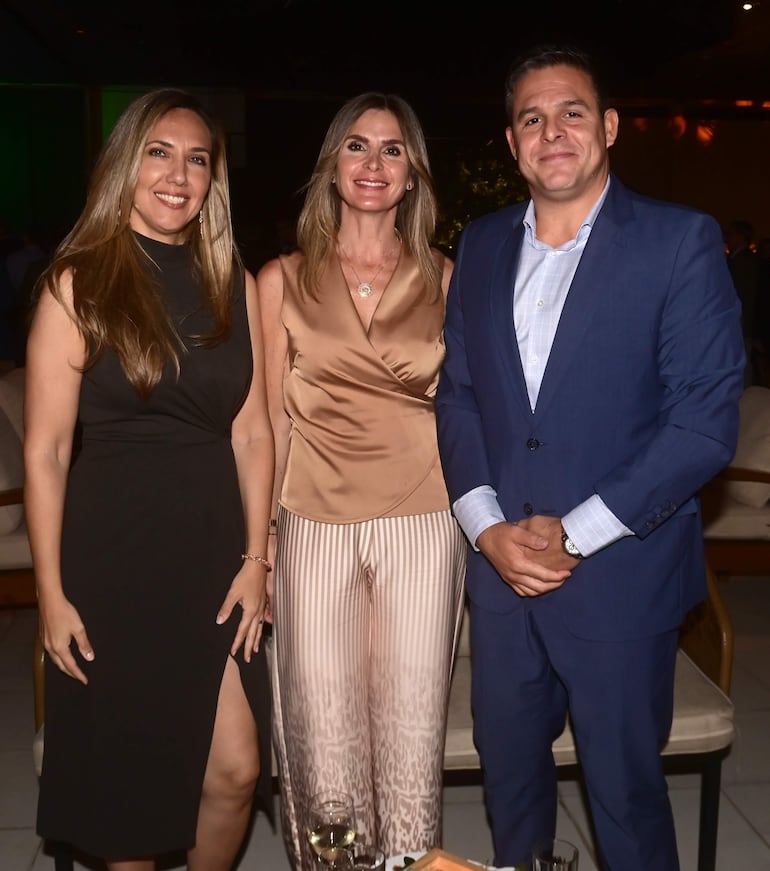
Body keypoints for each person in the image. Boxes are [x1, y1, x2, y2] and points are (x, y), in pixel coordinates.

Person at [435, 44, 745, 871]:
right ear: (511, 143)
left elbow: (704, 423)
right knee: (512, 786)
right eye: (532, 118)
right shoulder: (483, 244)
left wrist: (571, 534)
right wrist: (486, 527)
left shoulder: (679, 242)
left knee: (626, 798)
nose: (553, 131)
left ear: (608, 127)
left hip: (619, 576)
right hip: (501, 578)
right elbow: (457, 394)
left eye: (572, 111)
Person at [24, 88, 275, 870]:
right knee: (126, 805)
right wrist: (51, 592)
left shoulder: (230, 276)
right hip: (112, 559)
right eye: (159, 153)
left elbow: (254, 428)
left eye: (197, 158)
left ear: (213, 178)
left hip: (211, 553)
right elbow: (47, 449)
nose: (179, 173)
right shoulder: (79, 282)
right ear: (124, 165)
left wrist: (257, 558)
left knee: (236, 769)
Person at [256, 91, 467, 869]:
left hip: (424, 518)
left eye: (391, 149)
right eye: (356, 146)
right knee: (323, 727)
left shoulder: (448, 275)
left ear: (412, 173)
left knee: (412, 729)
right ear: (330, 168)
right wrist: (262, 549)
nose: (373, 164)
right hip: (310, 519)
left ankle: (412, 861)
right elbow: (268, 424)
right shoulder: (278, 279)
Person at [724, 218, 760, 385]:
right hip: (739, 321)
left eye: (730, 234)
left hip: (740, 321)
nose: (726, 238)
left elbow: (744, 295)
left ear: (740, 237)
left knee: (742, 363)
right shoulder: (737, 260)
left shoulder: (743, 261)